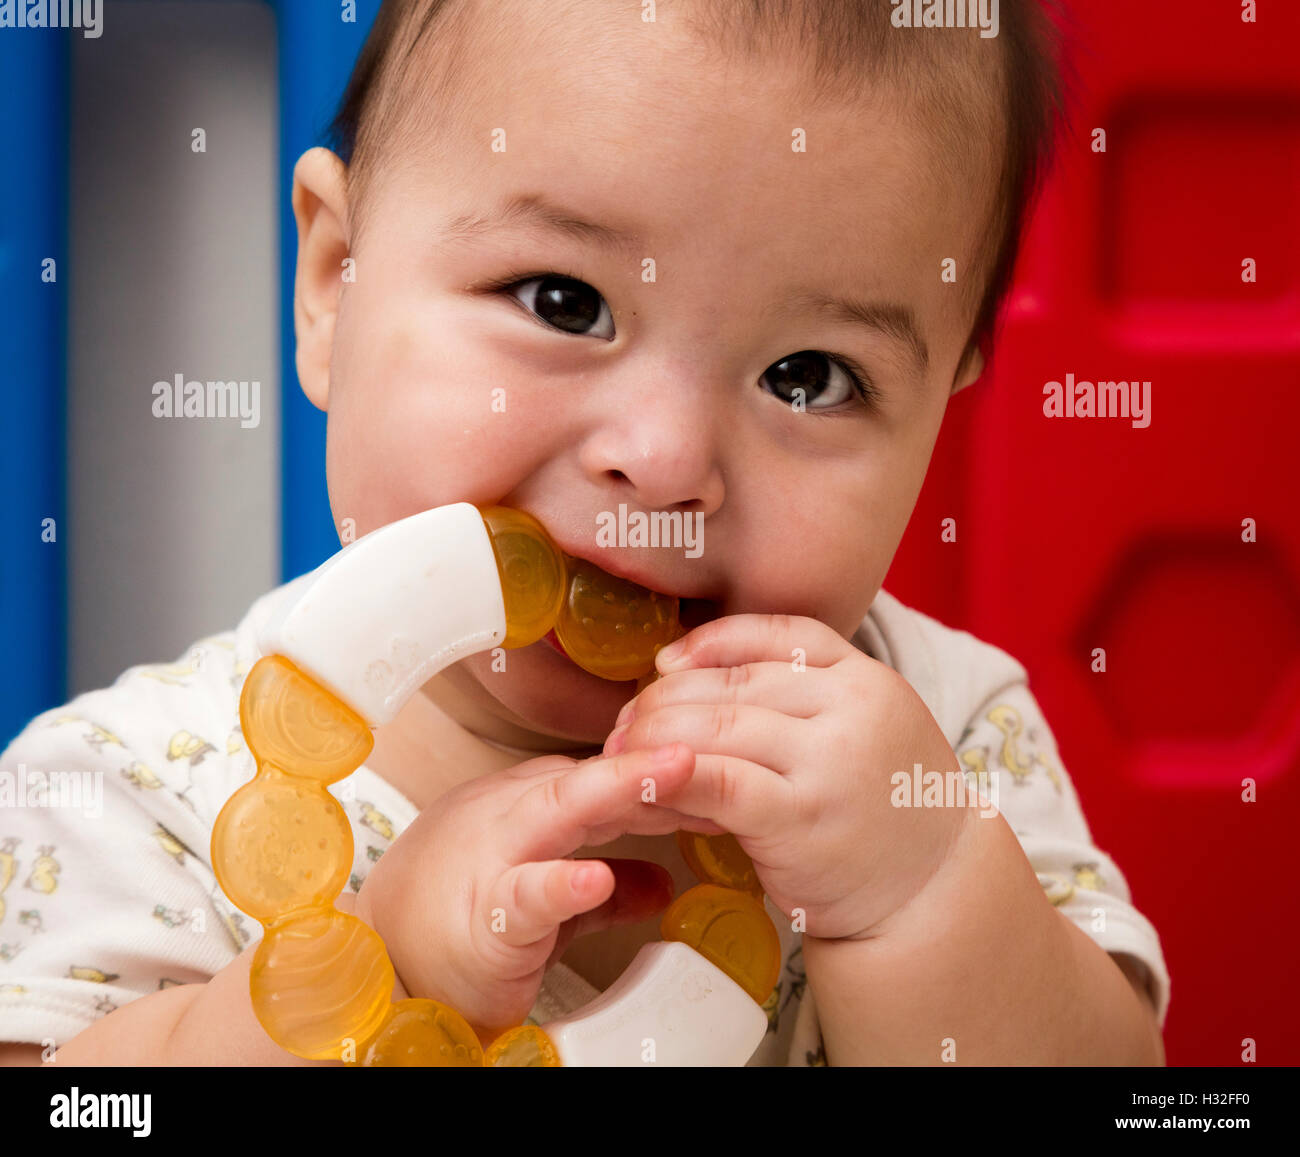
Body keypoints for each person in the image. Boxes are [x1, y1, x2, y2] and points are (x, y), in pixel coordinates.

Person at [0, 0, 1167, 1066]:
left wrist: (922, 894)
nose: (661, 460)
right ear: (334, 279)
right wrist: (366, 975)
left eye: (808, 377)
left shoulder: (942, 744)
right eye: (565, 300)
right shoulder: (128, 793)